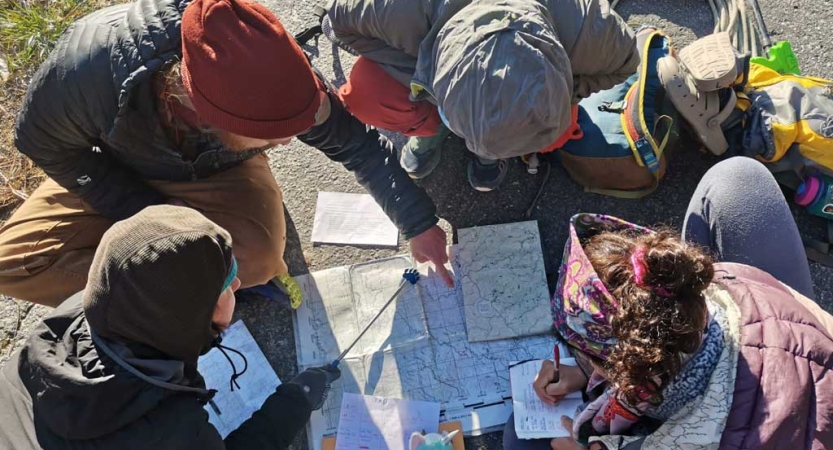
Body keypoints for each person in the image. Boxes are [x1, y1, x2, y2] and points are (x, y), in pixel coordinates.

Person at [0, 0, 453, 309]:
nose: (287, 144)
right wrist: (146, 219)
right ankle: (179, 286)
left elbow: (356, 144)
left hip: (218, 171)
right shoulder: (82, 70)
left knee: (253, 259)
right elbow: (44, 146)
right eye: (272, 139)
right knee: (14, 267)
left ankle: (189, 285)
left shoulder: (274, 67)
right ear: (207, 113)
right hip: (110, 166)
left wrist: (417, 222)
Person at [503, 157, 833, 449]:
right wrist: (588, 368)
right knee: (737, 177)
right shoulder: (714, 288)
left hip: (751, 430)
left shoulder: (692, 437)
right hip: (787, 343)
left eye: (588, 356)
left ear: (624, 368)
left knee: (519, 439)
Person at [0, 205, 341, 449]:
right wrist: (294, 401)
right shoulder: (170, 432)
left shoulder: (78, 310)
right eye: (225, 285)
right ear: (186, 321)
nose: (237, 287)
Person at [326, 0, 639, 191]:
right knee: (369, 90)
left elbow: (627, 65)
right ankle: (431, 131)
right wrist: (418, 70)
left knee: (555, 131)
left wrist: (564, 91)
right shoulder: (397, 10)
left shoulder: (592, 30)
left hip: (549, 65)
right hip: (428, 48)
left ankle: (489, 151)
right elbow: (337, 22)